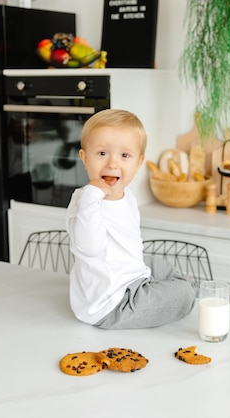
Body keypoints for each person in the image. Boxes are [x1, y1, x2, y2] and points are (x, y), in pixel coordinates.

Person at [65, 109, 195, 329]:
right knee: (183, 293)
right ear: (85, 158)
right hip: (112, 305)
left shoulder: (128, 196)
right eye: (102, 153)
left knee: (156, 263)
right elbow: (90, 248)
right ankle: (189, 292)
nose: (112, 164)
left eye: (124, 156)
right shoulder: (84, 202)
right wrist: (91, 194)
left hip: (131, 278)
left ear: (138, 163)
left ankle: (184, 287)